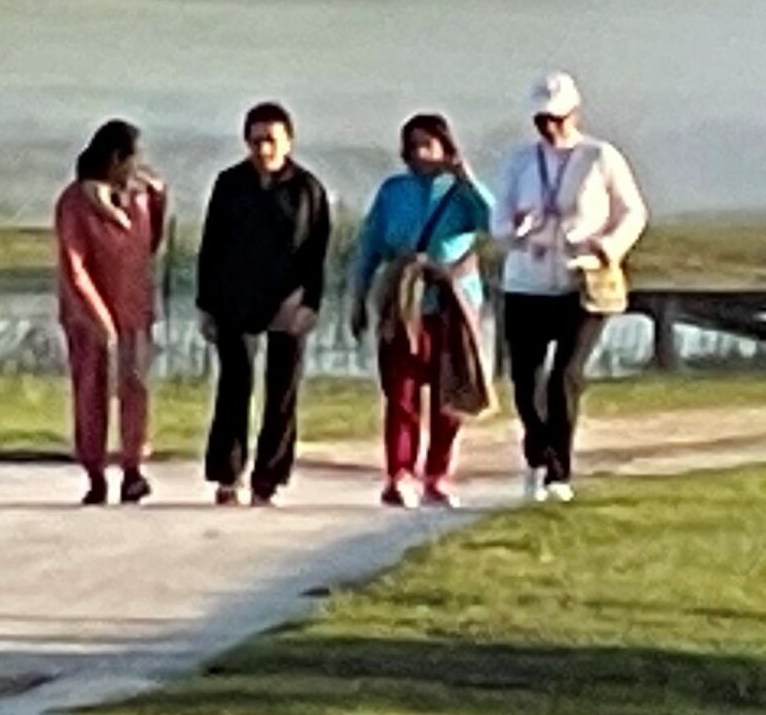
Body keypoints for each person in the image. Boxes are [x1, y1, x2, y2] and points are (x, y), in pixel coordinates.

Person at [491, 71, 647, 503]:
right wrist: (517, 232)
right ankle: (536, 449)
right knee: (525, 380)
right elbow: (498, 219)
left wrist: (606, 247)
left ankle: (558, 472)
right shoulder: (519, 161)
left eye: (557, 118)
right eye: (541, 119)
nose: (549, 127)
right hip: (527, 281)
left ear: (574, 112)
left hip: (581, 282)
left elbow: (633, 212)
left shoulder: (601, 157)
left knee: (565, 376)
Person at [350, 113, 496, 510]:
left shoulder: (461, 193)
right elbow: (369, 245)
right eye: (413, 146)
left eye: (428, 145)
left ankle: (438, 473)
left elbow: (494, 222)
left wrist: (465, 177)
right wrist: (359, 296)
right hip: (403, 301)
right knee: (402, 392)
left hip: (452, 303)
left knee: (450, 394)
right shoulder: (392, 191)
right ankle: (400, 473)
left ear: (445, 148)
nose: (420, 153)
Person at [195, 101, 331, 507]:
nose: (263, 148)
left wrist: (310, 303)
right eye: (255, 140)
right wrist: (206, 305)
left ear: (288, 141)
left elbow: (316, 252)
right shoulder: (230, 184)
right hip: (234, 299)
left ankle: (268, 479)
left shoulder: (308, 189)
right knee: (234, 388)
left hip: (288, 302)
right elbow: (211, 246)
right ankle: (227, 475)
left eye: (271, 140)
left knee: (282, 393)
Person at [53, 119, 167, 506]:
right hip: (88, 316)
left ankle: (134, 468)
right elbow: (74, 264)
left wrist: (159, 198)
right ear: (115, 158)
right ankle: (95, 471)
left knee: (135, 387)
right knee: (91, 391)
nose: (137, 166)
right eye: (132, 158)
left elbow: (151, 243)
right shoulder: (76, 202)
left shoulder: (139, 198)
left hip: (134, 306)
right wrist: (95, 314)